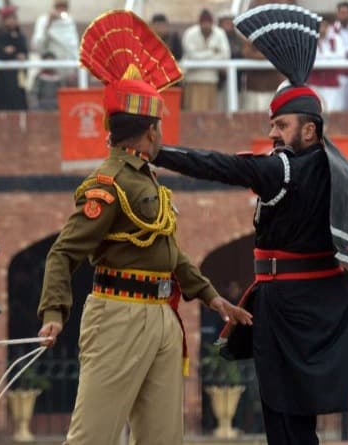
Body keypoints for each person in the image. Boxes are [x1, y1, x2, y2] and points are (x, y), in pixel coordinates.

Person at [156, 5, 348, 445]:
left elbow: (219, 165)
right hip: (332, 299)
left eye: (282, 125)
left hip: (284, 302)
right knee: (339, 362)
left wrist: (158, 152)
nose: (273, 134)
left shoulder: (280, 169)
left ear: (310, 131)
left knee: (285, 413)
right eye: (272, 125)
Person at [35, 11, 252, 445]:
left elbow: (169, 252)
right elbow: (64, 252)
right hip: (119, 313)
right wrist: (54, 313)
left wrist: (210, 297)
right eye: (159, 127)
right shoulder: (108, 182)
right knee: (93, 435)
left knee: (163, 437)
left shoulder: (145, 179)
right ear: (150, 132)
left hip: (161, 313)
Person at [181, 9, 230, 111]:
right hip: (193, 80)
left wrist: (201, 56)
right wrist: (212, 52)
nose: (206, 26)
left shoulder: (219, 33)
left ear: (212, 23)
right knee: (193, 111)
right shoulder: (190, 33)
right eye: (204, 23)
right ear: (199, 23)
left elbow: (225, 55)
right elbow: (192, 55)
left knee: (210, 112)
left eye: (208, 23)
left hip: (211, 80)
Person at [0, 6, 28, 110]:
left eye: (14, 18)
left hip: (16, 78)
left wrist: (21, 55)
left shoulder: (20, 36)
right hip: (0, 80)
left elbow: (24, 51)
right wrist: (5, 51)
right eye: (9, 18)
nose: (12, 21)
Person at [31, 0, 79, 87]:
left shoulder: (69, 21)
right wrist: (49, 23)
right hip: (50, 70)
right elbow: (38, 45)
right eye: (58, 6)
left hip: (67, 69)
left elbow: (74, 46)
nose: (61, 9)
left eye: (64, 6)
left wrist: (74, 68)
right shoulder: (43, 20)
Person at [310, 20, 348, 112]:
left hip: (332, 82)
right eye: (319, 26)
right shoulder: (310, 40)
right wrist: (329, 57)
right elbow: (310, 58)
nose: (322, 29)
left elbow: (341, 57)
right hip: (315, 83)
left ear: (328, 27)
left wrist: (325, 57)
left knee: (333, 111)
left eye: (324, 26)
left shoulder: (336, 39)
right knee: (316, 112)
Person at [333, 1, 348, 110]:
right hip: (336, 73)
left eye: (347, 13)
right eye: (342, 13)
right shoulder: (330, 30)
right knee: (337, 106)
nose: (344, 15)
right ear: (337, 14)